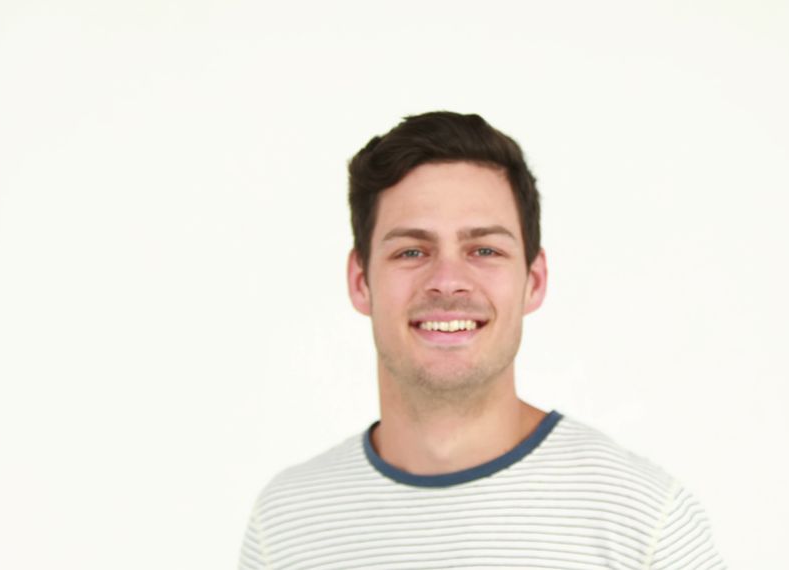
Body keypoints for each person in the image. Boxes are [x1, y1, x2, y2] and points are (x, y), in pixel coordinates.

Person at [238, 111, 726, 569]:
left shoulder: (646, 524)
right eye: (411, 250)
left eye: (484, 249)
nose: (447, 280)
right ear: (361, 281)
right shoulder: (284, 526)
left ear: (533, 281)